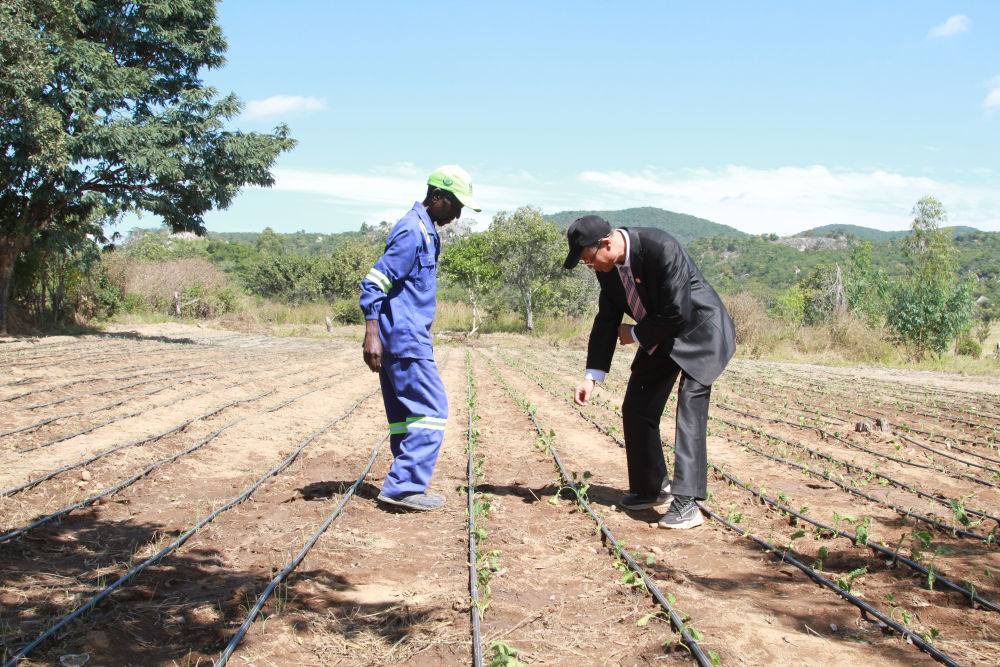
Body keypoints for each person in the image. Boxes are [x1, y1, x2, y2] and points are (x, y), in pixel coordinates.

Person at [564, 215, 735, 529]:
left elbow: (677, 311)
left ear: (606, 243)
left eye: (589, 259)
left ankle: (687, 504)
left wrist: (635, 334)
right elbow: (606, 321)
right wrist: (591, 377)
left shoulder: (660, 247)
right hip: (662, 334)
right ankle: (652, 488)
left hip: (700, 333)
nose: (590, 266)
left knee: (690, 409)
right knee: (637, 406)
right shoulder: (607, 270)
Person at [360, 165, 482, 511]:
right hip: (404, 336)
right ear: (437, 196)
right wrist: (371, 333)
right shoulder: (412, 231)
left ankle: (403, 484)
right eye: (456, 205)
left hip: (402, 335)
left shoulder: (426, 231)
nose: (458, 215)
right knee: (432, 409)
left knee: (405, 415)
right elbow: (375, 282)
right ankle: (403, 487)